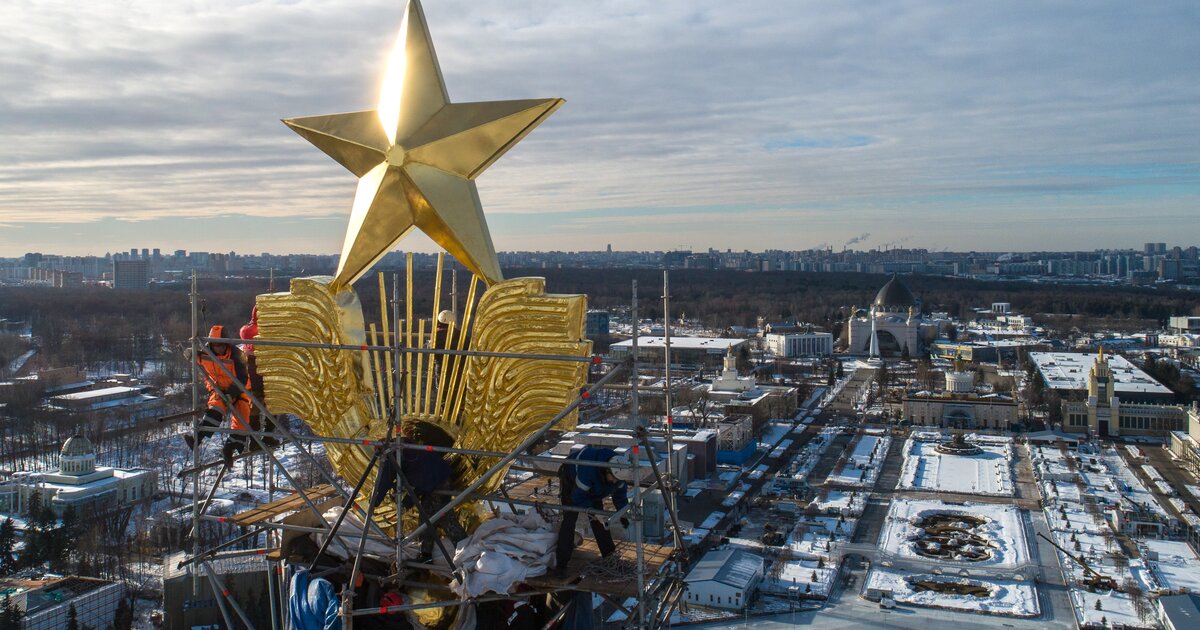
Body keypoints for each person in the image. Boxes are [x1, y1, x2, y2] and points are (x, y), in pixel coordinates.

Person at [369, 421, 466, 561]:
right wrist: (406, 503)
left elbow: (384, 480)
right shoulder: (404, 447)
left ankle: (467, 550)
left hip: (436, 481)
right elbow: (417, 480)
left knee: (444, 517)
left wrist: (375, 501)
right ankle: (426, 555)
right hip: (434, 479)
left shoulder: (392, 454)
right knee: (426, 519)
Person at [555, 446, 629, 578]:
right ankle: (561, 564)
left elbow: (620, 494)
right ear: (607, 471)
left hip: (594, 486)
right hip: (571, 480)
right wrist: (594, 512)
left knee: (600, 522)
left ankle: (609, 556)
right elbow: (577, 497)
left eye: (617, 480)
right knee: (569, 519)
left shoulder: (618, 473)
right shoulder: (588, 471)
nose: (614, 481)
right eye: (613, 478)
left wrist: (622, 513)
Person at [187, 324, 252, 467]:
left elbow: (242, 378)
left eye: (222, 345)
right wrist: (190, 353)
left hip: (239, 390)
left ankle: (229, 449)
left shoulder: (237, 355)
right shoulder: (206, 353)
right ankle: (197, 439)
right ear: (211, 345)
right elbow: (196, 357)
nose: (219, 348)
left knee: (242, 420)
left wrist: (231, 393)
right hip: (219, 389)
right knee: (215, 409)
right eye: (216, 345)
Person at [239, 306, 279, 448]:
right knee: (273, 406)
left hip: (251, 373)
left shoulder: (245, 330)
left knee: (254, 407)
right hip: (264, 371)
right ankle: (267, 436)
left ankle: (254, 440)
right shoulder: (263, 331)